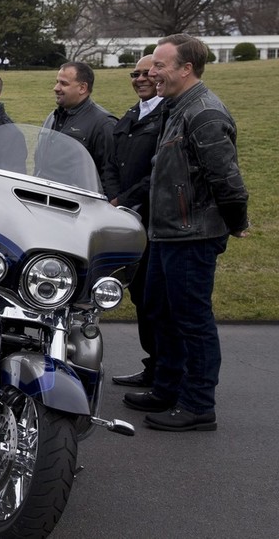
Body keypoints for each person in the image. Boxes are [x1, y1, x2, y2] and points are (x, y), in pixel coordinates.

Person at [123, 34, 249, 432]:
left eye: (159, 65)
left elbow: (227, 179)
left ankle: (197, 404)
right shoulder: (177, 108)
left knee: (192, 320)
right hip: (166, 234)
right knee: (162, 312)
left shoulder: (205, 114)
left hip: (191, 236)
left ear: (185, 68)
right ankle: (167, 387)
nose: (151, 72)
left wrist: (237, 222)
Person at [105, 56, 165, 389]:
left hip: (152, 216)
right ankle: (152, 366)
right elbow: (112, 162)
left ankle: (165, 372)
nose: (140, 78)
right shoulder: (131, 114)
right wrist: (115, 196)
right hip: (129, 218)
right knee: (141, 295)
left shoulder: (165, 115)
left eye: (147, 73)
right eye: (135, 74)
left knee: (157, 299)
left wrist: (123, 199)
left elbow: (157, 171)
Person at [42, 61, 117, 194]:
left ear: (82, 88)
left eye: (63, 83)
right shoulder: (52, 117)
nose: (56, 88)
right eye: (57, 82)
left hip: (77, 206)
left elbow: (109, 175)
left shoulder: (104, 124)